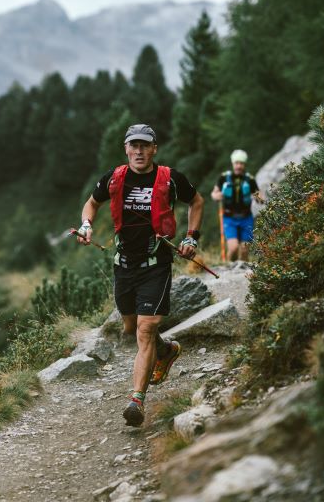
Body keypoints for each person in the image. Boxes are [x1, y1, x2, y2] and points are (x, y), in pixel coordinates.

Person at [77, 124, 203, 427]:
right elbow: (91, 204)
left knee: (145, 330)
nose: (139, 151)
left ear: (154, 149)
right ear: (126, 148)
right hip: (124, 265)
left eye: (145, 145)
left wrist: (191, 238)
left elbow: (196, 202)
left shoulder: (171, 179)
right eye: (134, 145)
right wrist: (86, 225)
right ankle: (166, 350)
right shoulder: (114, 177)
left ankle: (137, 400)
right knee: (130, 326)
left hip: (156, 264)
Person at [211, 149, 264, 262]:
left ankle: (243, 272)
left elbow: (259, 196)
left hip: (246, 218)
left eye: (241, 163)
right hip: (229, 218)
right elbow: (214, 193)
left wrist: (259, 198)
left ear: (244, 164)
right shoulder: (224, 178)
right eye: (237, 163)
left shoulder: (250, 179)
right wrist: (217, 195)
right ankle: (231, 267)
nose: (239, 166)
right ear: (233, 163)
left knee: (244, 249)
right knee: (234, 248)